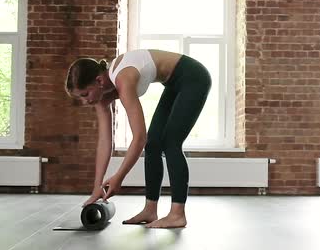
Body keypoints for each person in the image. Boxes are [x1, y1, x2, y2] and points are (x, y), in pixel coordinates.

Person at [65, 49, 211, 228]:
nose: (85, 102)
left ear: (99, 81)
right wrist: (97, 186)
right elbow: (105, 142)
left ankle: (177, 214)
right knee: (153, 144)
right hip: (173, 83)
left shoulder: (123, 79)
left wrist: (119, 177)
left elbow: (139, 137)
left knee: (171, 143)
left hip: (193, 77)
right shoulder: (102, 97)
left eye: (85, 94)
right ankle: (150, 210)